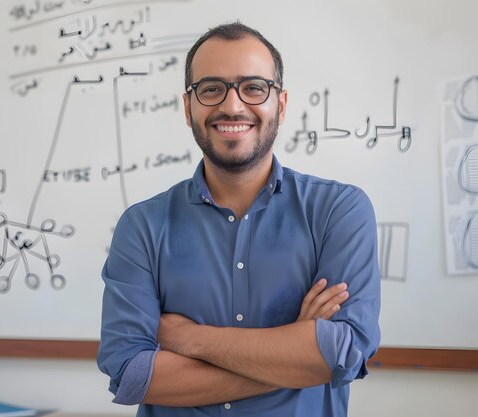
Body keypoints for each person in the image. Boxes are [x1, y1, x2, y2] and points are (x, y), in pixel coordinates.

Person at [97, 22, 380, 416]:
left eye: (253, 87)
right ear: (188, 106)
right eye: (211, 88)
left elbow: (343, 353)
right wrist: (294, 353)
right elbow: (131, 375)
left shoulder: (339, 211)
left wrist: (190, 339)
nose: (232, 106)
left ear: (280, 105)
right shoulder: (142, 226)